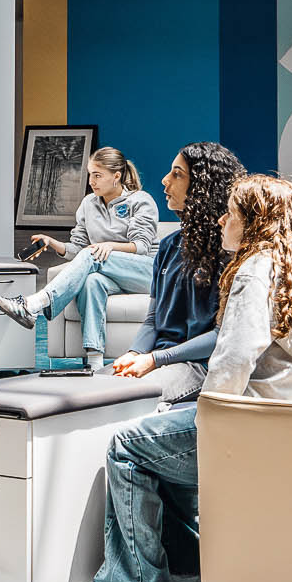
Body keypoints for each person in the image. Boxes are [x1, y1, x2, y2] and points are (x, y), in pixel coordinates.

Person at [90, 174, 292, 582]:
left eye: (230, 214)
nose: (220, 221)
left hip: (250, 428)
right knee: (166, 427)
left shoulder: (255, 272)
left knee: (128, 444)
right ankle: (187, 567)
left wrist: (207, 420)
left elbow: (233, 360)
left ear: (254, 224)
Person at [0, 146, 159, 369]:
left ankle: (33, 304)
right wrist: (52, 243)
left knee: (93, 253)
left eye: (98, 175)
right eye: (90, 174)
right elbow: (79, 248)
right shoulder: (89, 204)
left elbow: (142, 247)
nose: (91, 181)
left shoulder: (141, 200)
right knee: (91, 281)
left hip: (147, 272)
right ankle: (95, 362)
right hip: (108, 271)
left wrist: (107, 246)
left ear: (116, 176)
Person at [109, 142, 246, 407]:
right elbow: (153, 319)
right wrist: (135, 352)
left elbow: (222, 336)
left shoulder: (230, 253)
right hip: (158, 359)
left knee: (120, 399)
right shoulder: (169, 246)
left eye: (177, 174)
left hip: (197, 366)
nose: (165, 180)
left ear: (202, 187)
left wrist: (154, 360)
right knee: (96, 388)